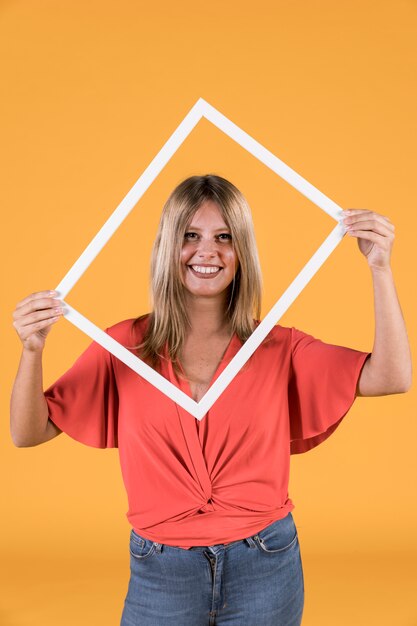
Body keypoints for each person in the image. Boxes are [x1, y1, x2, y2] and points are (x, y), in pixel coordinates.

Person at [10, 174, 411, 626]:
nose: (208, 251)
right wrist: (32, 350)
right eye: (190, 236)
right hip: (162, 571)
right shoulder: (124, 346)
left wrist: (380, 268)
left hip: (266, 563)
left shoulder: (278, 346)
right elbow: (28, 432)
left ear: (241, 252)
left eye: (225, 237)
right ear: (168, 247)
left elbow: (393, 376)